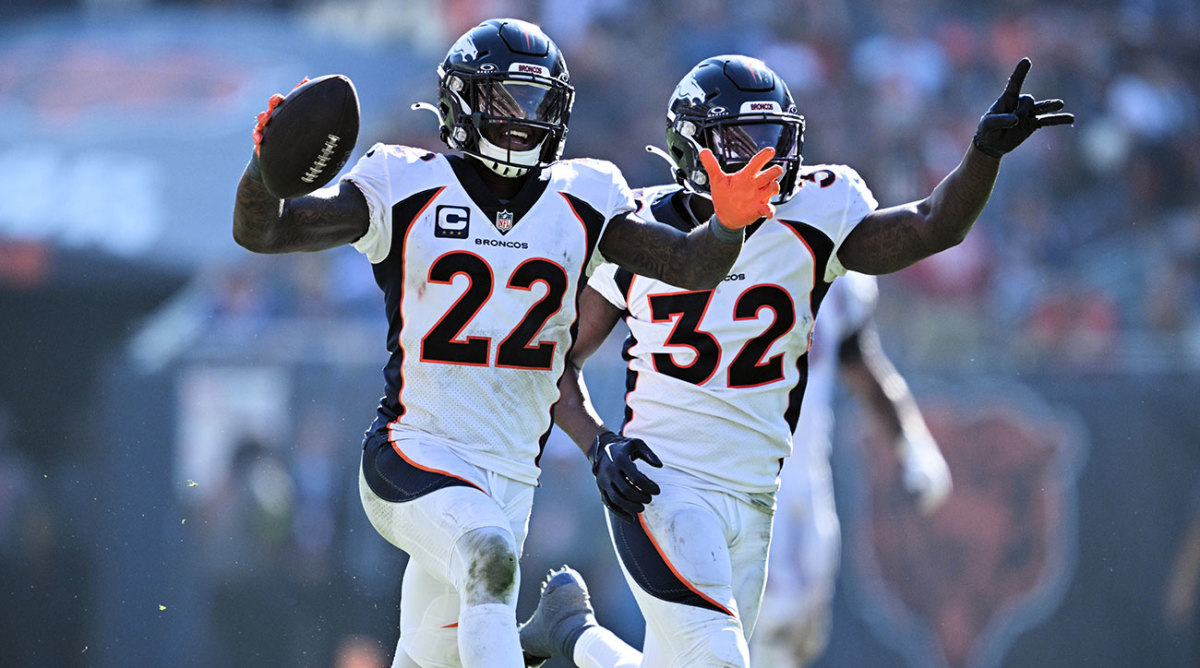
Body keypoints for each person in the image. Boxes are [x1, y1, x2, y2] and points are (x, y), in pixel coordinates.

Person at [231, 19, 783, 668]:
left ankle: (566, 636)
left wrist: (728, 224)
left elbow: (691, 267)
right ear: (461, 103)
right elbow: (264, 232)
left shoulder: (586, 196)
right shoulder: (405, 185)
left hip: (510, 478)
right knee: (487, 551)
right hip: (414, 451)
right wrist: (263, 172)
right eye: (504, 102)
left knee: (435, 654)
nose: (522, 121)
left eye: (536, 102)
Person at [518, 54, 1072, 668]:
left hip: (757, 493)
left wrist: (982, 155)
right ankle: (569, 632)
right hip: (663, 484)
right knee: (720, 662)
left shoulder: (814, 214)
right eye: (740, 141)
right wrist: (598, 444)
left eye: (774, 138)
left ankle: (570, 633)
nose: (764, 158)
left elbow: (931, 226)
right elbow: (552, 360)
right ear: (689, 147)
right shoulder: (639, 232)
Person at [749, 271, 951, 668]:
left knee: (797, 637)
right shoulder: (728, 243)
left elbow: (858, 358)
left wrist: (914, 444)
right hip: (728, 476)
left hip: (803, 479)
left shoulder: (837, 272)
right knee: (756, 626)